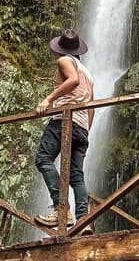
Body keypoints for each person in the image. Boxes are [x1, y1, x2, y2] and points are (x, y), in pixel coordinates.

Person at [34, 29, 95, 234]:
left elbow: (72, 81)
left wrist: (47, 100)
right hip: (81, 125)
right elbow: (91, 106)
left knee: (43, 158)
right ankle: (83, 219)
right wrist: (86, 130)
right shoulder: (89, 73)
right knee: (76, 175)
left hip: (64, 119)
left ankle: (61, 208)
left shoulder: (64, 62)